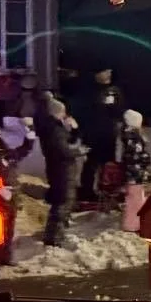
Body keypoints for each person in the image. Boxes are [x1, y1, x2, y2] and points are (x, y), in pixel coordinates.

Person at [73, 68, 124, 204]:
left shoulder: (114, 90)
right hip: (91, 133)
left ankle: (106, 190)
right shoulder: (88, 90)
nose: (108, 75)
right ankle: (86, 191)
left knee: (107, 164)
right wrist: (80, 131)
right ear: (97, 74)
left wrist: (116, 115)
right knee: (90, 164)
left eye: (110, 72)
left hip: (108, 134)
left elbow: (119, 110)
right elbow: (81, 111)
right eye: (105, 72)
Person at [40, 98, 84, 246]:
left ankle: (52, 234)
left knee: (61, 200)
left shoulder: (53, 127)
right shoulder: (55, 130)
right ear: (59, 112)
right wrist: (80, 151)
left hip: (57, 168)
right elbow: (64, 150)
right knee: (64, 201)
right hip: (62, 170)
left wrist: (74, 130)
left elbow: (69, 142)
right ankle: (56, 237)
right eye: (63, 111)